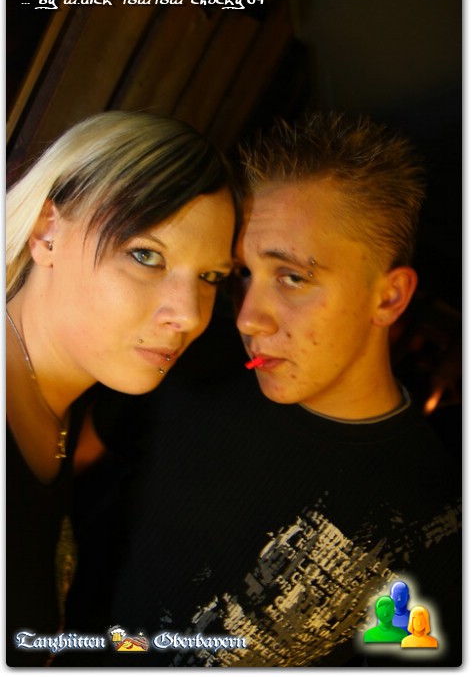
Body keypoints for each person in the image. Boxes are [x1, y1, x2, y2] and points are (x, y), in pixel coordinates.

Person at [58, 113, 461, 667]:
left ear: (388, 297)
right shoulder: (187, 359)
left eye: (292, 277)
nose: (249, 317)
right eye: (240, 274)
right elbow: (54, 487)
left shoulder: (439, 524)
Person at [5, 110, 236, 667]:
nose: (188, 314)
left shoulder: (72, 412)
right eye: (146, 255)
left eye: (210, 277)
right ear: (47, 232)